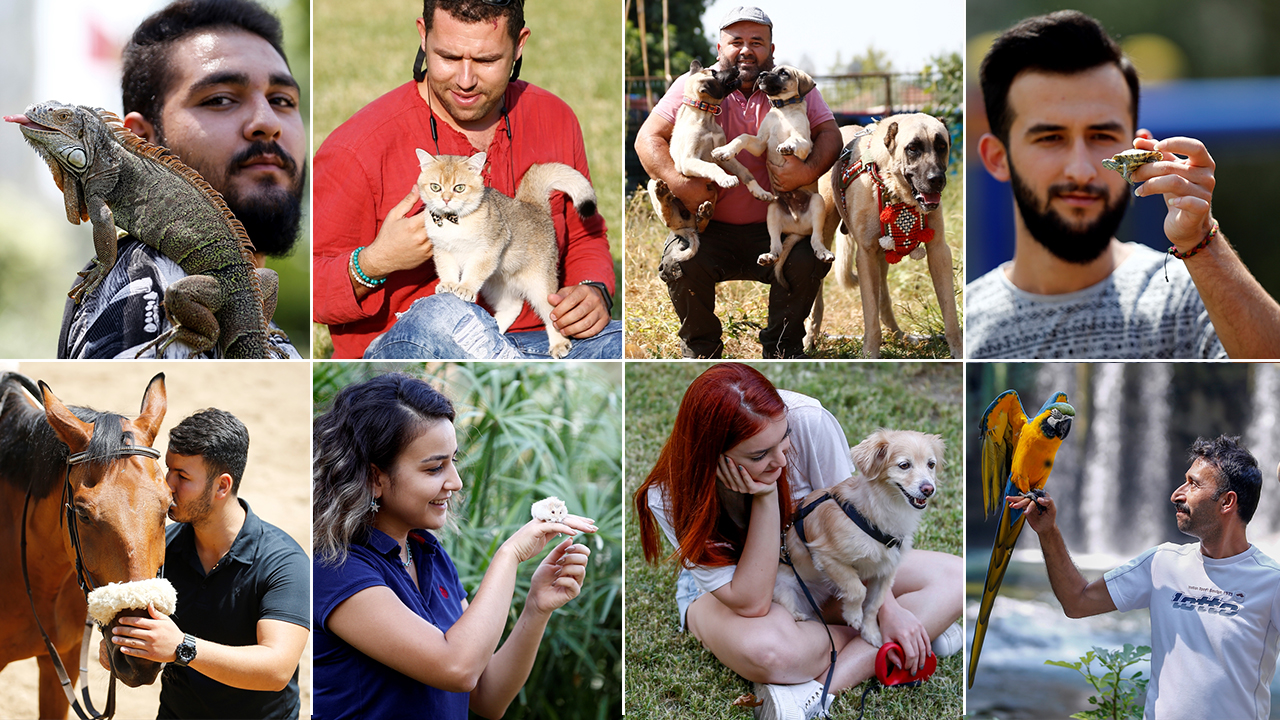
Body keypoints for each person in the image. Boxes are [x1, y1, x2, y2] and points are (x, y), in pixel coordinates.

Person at [632, 364, 963, 720]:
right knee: (772, 652)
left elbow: (851, 528)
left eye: (783, 439)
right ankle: (913, 635)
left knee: (957, 578)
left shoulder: (808, 421)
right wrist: (765, 497)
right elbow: (752, 603)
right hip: (736, 590)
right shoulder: (667, 495)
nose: (779, 460)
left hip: (819, 566)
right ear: (712, 456)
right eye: (759, 456)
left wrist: (890, 611)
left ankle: (816, 689)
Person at [312, 0, 621, 360]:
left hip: (534, 339)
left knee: (616, 342)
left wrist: (593, 288)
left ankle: (518, 370)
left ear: (519, 45)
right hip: (423, 354)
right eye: (448, 57)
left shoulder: (556, 118)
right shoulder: (356, 147)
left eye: (487, 60)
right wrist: (374, 262)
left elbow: (586, 234)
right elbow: (313, 293)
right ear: (423, 36)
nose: (465, 80)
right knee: (441, 311)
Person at [966, 10, 1280, 359]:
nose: (1082, 170)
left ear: (1140, 148)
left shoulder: (1191, 295)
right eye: (1051, 138)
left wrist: (1202, 242)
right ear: (997, 157)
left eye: (1102, 135)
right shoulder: (964, 326)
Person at [311, 373, 597, 718]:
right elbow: (457, 668)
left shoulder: (426, 553)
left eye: (454, 461)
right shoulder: (334, 567)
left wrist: (537, 606)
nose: (456, 483)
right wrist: (509, 556)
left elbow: (487, 696)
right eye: (435, 468)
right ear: (375, 478)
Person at [59, 0, 305, 359]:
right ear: (142, 139)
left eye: (282, 100)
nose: (267, 122)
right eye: (220, 99)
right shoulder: (149, 283)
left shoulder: (247, 289)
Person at [1010, 435, 1280, 720]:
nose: (1177, 493)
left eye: (1194, 484)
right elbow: (1077, 601)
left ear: (1227, 502)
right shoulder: (1162, 563)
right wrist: (1048, 532)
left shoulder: (1271, 582)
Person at [633, 6, 842, 359]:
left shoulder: (790, 87)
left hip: (776, 225)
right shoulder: (696, 86)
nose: (746, 49)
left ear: (772, 50)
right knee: (680, 263)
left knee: (807, 259)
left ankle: (782, 349)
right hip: (709, 227)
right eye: (736, 41)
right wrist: (679, 183)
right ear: (719, 48)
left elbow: (830, 136)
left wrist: (806, 174)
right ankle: (702, 351)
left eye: (757, 42)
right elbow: (646, 139)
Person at [107, 408, 310, 719]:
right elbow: (138, 659)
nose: (167, 485)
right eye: (168, 470)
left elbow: (277, 669)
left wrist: (181, 647)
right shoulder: (162, 548)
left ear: (222, 486)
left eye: (183, 476)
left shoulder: (284, 562)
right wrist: (122, 646)